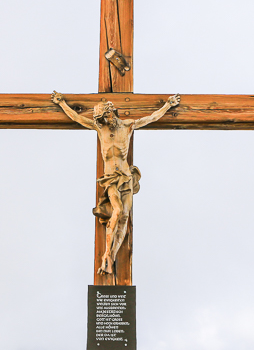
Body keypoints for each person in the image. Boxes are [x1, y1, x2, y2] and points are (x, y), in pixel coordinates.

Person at [51, 91, 180, 274]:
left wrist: (168, 105)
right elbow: (77, 118)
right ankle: (106, 254)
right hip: (110, 178)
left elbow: (151, 118)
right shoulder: (100, 128)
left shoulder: (127, 126)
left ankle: (111, 255)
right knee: (117, 210)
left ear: (112, 113)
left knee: (125, 217)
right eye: (101, 119)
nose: (104, 122)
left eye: (105, 117)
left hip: (126, 177)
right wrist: (62, 103)